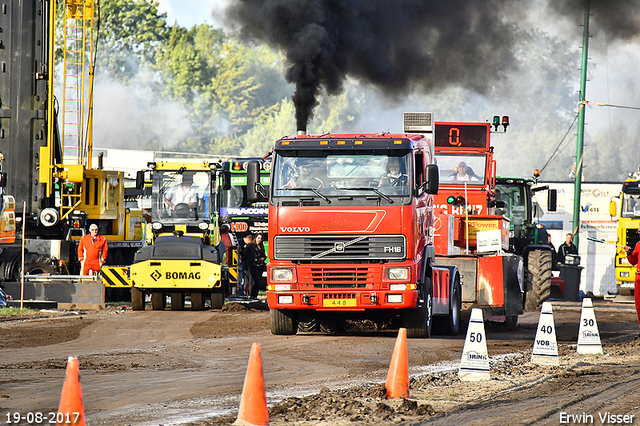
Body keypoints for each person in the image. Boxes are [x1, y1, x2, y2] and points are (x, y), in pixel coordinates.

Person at [624, 230, 640, 325]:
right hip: (638, 277)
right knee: (638, 305)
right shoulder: (638, 245)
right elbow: (633, 261)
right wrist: (629, 253)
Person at [250, 233, 267, 299]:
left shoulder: (261, 246)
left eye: (261, 238)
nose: (259, 240)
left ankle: (255, 296)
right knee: (256, 281)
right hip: (254, 266)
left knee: (259, 281)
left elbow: (265, 255)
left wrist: (263, 258)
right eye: (258, 238)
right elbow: (247, 254)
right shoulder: (252, 246)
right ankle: (252, 295)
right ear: (255, 238)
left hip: (260, 266)